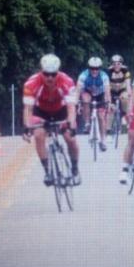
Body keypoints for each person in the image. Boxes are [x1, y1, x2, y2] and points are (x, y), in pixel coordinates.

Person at [23, 53, 81, 186]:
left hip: (61, 111)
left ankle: (75, 169)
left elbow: (71, 108)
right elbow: (28, 109)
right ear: (41, 71)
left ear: (58, 72)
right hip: (41, 111)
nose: (50, 77)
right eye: (46, 74)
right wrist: (27, 127)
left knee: (70, 138)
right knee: (38, 135)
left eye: (53, 74)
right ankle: (47, 172)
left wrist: (71, 125)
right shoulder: (31, 83)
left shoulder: (67, 81)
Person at [77, 56, 111, 151]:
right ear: (89, 68)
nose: (94, 71)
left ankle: (103, 140)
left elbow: (107, 91)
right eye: (92, 68)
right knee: (85, 99)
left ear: (100, 68)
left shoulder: (104, 76)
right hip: (88, 93)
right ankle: (87, 123)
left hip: (100, 95)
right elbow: (78, 90)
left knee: (101, 116)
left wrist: (108, 102)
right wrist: (76, 102)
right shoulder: (83, 75)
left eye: (97, 68)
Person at [106, 54, 131, 132]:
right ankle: (108, 129)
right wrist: (108, 99)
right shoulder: (108, 71)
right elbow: (106, 86)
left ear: (121, 64)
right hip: (112, 91)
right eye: (114, 64)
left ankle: (125, 114)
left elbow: (128, 83)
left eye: (118, 64)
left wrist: (129, 93)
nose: (116, 66)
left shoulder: (126, 71)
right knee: (111, 109)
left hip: (122, 90)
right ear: (112, 64)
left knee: (125, 97)